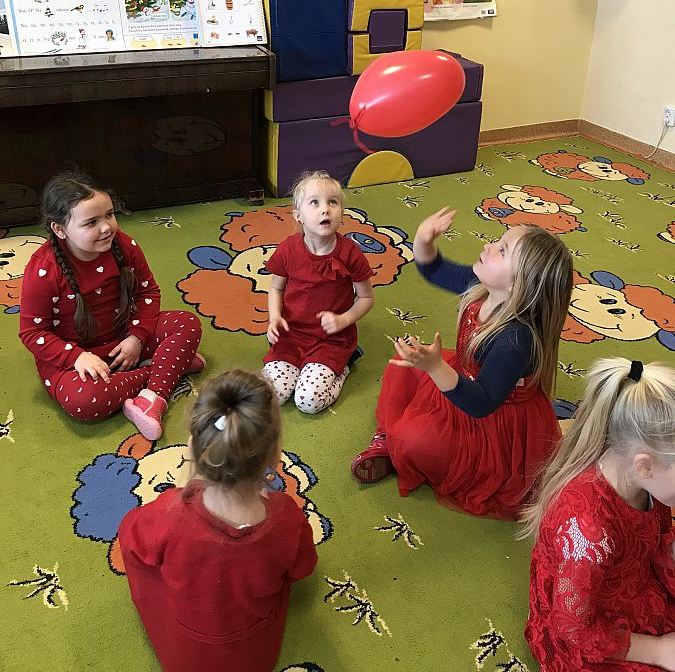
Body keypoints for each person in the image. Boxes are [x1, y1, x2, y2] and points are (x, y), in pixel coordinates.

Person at [351, 208, 573, 519]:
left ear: (518, 284)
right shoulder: (481, 287)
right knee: (400, 365)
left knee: (413, 441)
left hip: (490, 418)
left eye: (502, 250)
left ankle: (396, 443)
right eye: (497, 241)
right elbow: (433, 269)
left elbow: (481, 403)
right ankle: (385, 439)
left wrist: (435, 368)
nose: (488, 246)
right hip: (459, 377)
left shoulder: (516, 339)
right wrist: (424, 240)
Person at [119, 369, 318, 672]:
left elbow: (130, 535)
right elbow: (304, 566)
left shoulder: (168, 515)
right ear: (275, 457)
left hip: (184, 658)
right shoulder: (288, 520)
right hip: (255, 658)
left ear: (191, 447)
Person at [19, 171, 204, 440]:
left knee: (187, 323)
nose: (106, 227)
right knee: (84, 402)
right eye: (91, 222)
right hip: (74, 358)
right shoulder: (44, 270)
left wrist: (136, 337)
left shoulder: (125, 245)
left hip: (124, 341)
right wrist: (77, 357)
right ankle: (168, 367)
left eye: (109, 214)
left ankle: (152, 397)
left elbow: (148, 293)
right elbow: (33, 333)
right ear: (60, 230)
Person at [521, 358, 675, 671]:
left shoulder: (644, 478)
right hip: (584, 627)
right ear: (645, 465)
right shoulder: (589, 531)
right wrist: (658, 651)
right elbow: (573, 627)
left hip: (629, 578)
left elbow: (657, 538)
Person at [264, 171, 374, 414]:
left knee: (308, 401)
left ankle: (344, 364)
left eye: (332, 202)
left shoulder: (350, 253)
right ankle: (304, 369)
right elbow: (276, 288)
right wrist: (274, 317)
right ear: (299, 216)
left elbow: (366, 297)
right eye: (314, 202)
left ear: (341, 212)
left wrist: (343, 320)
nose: (325, 209)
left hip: (331, 340)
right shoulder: (288, 249)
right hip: (292, 335)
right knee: (270, 395)